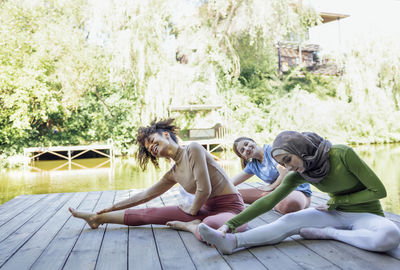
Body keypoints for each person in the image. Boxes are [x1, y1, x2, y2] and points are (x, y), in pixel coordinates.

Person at [198, 131, 400, 256]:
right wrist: (230, 225)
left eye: (287, 159)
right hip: (333, 213)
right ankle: (232, 243)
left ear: (300, 149)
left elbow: (378, 191)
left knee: (389, 236)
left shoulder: (341, 154)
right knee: (289, 221)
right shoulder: (299, 174)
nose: (288, 167)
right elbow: (268, 202)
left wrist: (337, 201)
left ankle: (331, 234)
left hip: (366, 215)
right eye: (283, 163)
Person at [68, 118, 247, 241]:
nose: (152, 147)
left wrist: (191, 211)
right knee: (150, 213)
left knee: (210, 227)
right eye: (148, 148)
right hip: (202, 209)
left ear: (166, 135)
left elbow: (204, 189)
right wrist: (112, 207)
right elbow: (145, 195)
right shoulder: (173, 173)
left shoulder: (193, 149)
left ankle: (190, 227)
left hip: (232, 210)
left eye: (153, 140)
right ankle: (97, 219)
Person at [231, 137, 312, 214]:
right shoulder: (252, 165)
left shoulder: (271, 150)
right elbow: (231, 182)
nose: (247, 148)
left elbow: (285, 173)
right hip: (275, 193)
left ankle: (270, 204)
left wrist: (271, 186)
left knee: (289, 204)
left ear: (253, 141)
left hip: (297, 190)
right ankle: (270, 202)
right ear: (243, 156)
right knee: (233, 195)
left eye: (246, 144)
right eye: (242, 150)